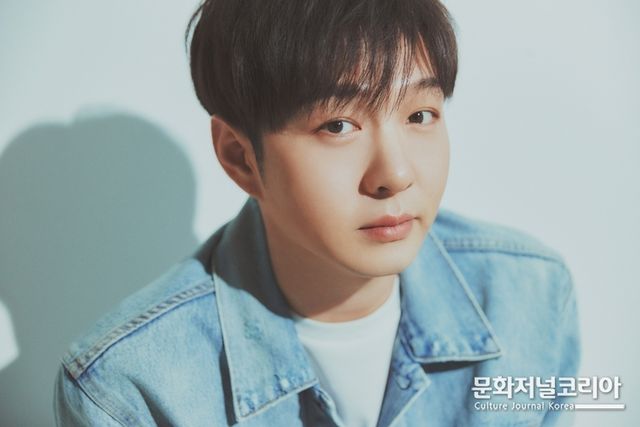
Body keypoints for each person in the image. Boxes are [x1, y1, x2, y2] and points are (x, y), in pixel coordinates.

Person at [54, 0, 580, 425]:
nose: (395, 174)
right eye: (338, 126)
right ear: (241, 157)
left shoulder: (528, 295)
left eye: (420, 115)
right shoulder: (128, 387)